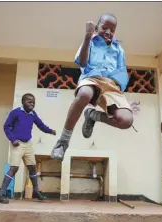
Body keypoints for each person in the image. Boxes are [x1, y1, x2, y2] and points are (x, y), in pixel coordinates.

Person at [51, 13, 133, 161]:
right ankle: (63, 142)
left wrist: (123, 100)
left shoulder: (118, 49)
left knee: (126, 121)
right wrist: (88, 36)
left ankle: (92, 116)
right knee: (84, 94)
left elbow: (122, 71)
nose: (108, 32)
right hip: (92, 78)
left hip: (111, 85)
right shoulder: (91, 42)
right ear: (97, 27)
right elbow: (82, 63)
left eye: (112, 30)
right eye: (104, 28)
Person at [0, 93, 56, 204]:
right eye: (29, 101)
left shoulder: (33, 114)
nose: (32, 104)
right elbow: (6, 126)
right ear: (23, 102)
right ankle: (1, 194)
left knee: (32, 167)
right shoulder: (16, 112)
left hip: (28, 144)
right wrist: (13, 139)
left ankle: (36, 192)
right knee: (14, 168)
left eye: (33, 102)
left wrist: (50, 131)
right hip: (17, 144)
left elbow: (41, 125)